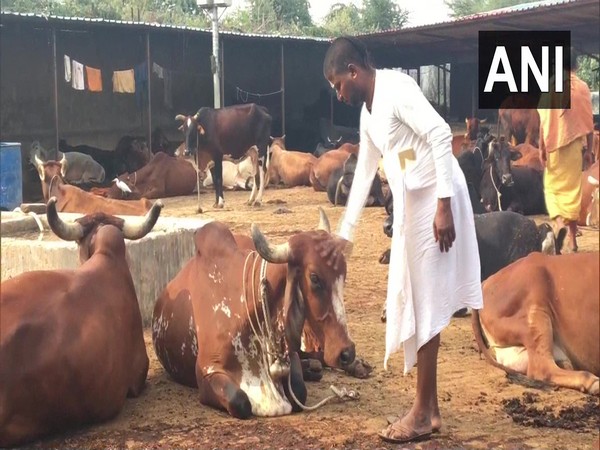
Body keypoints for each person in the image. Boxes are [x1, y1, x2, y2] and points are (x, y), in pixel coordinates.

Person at [317, 36, 483, 444]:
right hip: (415, 204)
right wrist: (345, 234)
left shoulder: (396, 90)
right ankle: (430, 409)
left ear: (354, 72)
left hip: (436, 201)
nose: (339, 93)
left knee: (424, 304)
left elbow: (442, 134)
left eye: (339, 84)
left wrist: (444, 205)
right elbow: (364, 173)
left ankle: (423, 413)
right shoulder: (368, 113)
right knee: (413, 299)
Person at [538, 52, 594, 252]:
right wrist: (590, 150)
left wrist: (541, 148)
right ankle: (572, 238)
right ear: (576, 65)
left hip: (553, 145)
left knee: (553, 189)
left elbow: (544, 121)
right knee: (572, 190)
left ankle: (560, 226)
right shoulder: (582, 87)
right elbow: (588, 122)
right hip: (574, 148)